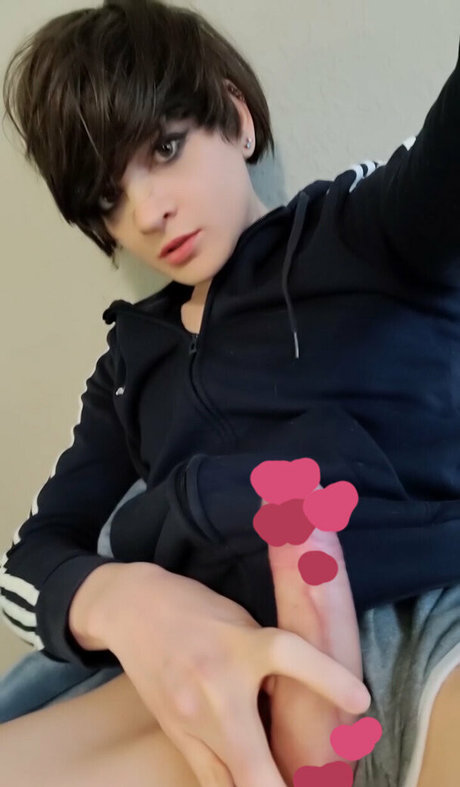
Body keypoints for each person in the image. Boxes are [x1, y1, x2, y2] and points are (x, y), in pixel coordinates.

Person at [1, 0, 460, 784]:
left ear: (237, 119)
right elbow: (30, 559)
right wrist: (126, 600)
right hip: (216, 662)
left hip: (420, 613)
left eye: (166, 147)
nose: (149, 213)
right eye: (109, 198)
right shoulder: (127, 367)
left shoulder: (359, 231)